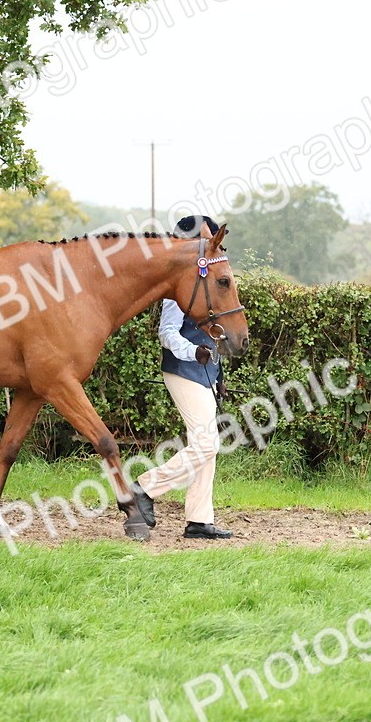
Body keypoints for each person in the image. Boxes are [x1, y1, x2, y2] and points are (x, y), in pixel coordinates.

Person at [131, 214, 233, 539]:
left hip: (204, 371)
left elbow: (212, 330)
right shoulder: (179, 280)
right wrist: (194, 353)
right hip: (182, 369)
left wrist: (218, 372)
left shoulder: (204, 276)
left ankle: (199, 520)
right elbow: (167, 332)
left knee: (205, 446)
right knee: (206, 444)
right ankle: (143, 488)